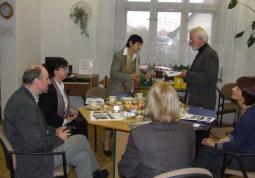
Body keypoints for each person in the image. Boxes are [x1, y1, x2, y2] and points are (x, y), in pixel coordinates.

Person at [3, 65, 108, 178]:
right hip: (35, 160)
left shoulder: (24, 96)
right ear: (37, 81)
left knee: (83, 157)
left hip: (36, 152)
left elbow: (40, 126)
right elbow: (36, 145)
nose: (49, 82)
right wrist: (59, 139)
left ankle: (93, 173)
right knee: (81, 139)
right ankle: (95, 173)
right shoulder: (25, 106)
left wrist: (55, 131)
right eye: (47, 79)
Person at [118, 81, 195, 178]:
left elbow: (126, 172)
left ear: (149, 104)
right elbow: (190, 161)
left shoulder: (139, 134)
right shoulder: (188, 130)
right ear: (175, 103)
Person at [194, 76, 255, 174]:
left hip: (247, 159)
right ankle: (196, 173)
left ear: (247, 94)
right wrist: (219, 141)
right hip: (241, 152)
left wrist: (215, 144)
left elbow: (236, 144)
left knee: (207, 159)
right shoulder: (245, 110)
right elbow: (236, 133)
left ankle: (197, 174)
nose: (233, 89)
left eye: (238, 88)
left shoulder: (249, 116)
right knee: (205, 150)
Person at [105, 34, 149, 156]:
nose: (140, 47)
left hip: (128, 93)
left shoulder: (137, 57)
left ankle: (122, 145)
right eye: (138, 45)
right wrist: (130, 76)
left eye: (141, 45)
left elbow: (136, 74)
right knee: (111, 120)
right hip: (116, 92)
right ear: (130, 43)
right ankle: (106, 144)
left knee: (126, 119)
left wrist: (144, 76)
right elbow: (113, 73)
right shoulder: (119, 55)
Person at [38, 57, 88, 136]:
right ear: (55, 71)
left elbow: (61, 103)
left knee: (84, 127)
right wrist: (67, 120)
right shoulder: (48, 89)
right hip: (54, 127)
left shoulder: (61, 85)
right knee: (83, 130)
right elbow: (48, 115)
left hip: (62, 121)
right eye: (64, 69)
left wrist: (70, 108)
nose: (67, 71)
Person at [179, 26, 219, 110]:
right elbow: (199, 72)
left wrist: (187, 74)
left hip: (203, 101)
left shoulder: (210, 54)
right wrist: (187, 74)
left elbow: (208, 77)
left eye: (191, 39)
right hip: (197, 99)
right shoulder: (203, 52)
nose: (190, 42)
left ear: (200, 39)